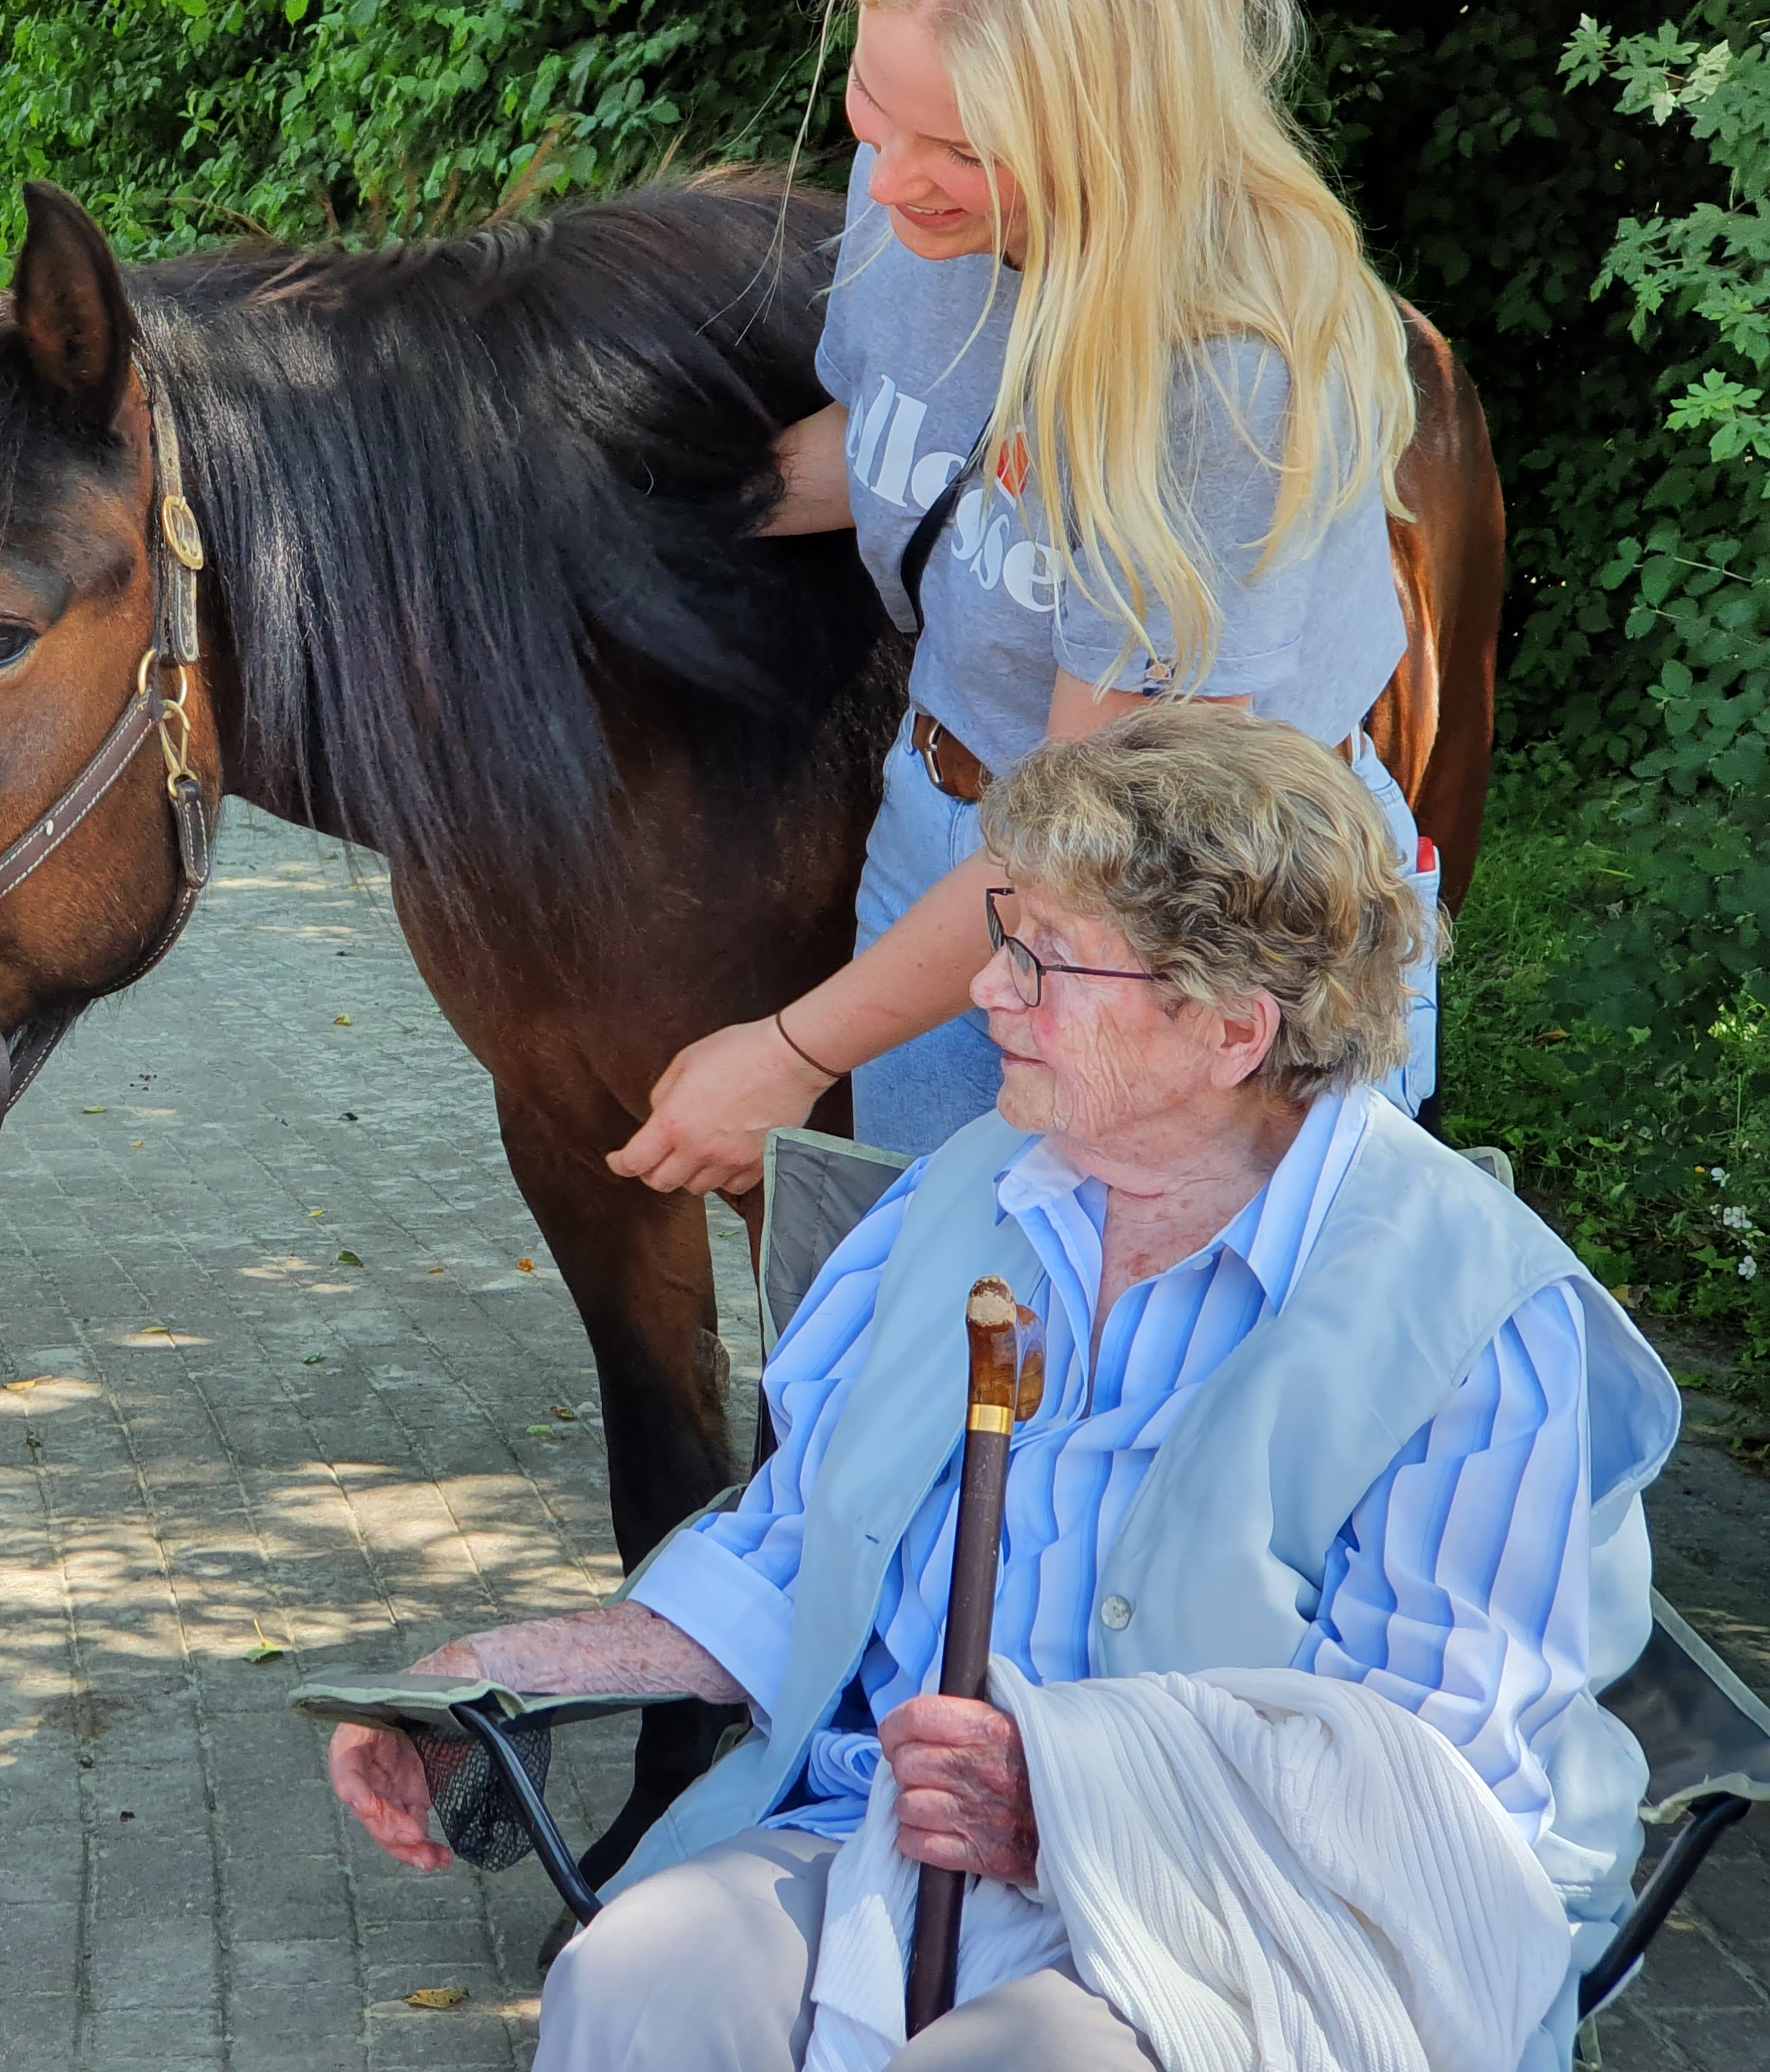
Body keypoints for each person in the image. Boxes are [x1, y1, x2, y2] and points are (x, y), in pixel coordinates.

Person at [328, 707, 1677, 2070]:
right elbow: (795, 1557)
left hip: (1265, 1911)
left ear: (1227, 1030)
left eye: (1042, 961)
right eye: (1001, 938)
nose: (987, 992)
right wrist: (486, 1673)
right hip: (895, 1848)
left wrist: (1074, 1800)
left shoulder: (1479, 1318)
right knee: (633, 1981)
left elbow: (1434, 1776)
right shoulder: (969, 1192)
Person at [609, 0, 1440, 1194]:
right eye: (876, 106)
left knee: (1155, 1387)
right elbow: (895, 451)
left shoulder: (1228, 370)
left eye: (966, 150)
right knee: (951, 1354)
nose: (894, 180)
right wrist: (639, 512)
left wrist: (793, 1051)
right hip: (950, 838)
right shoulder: (906, 202)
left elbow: (1100, 819)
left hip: (1192, 946)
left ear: (1125, 132)